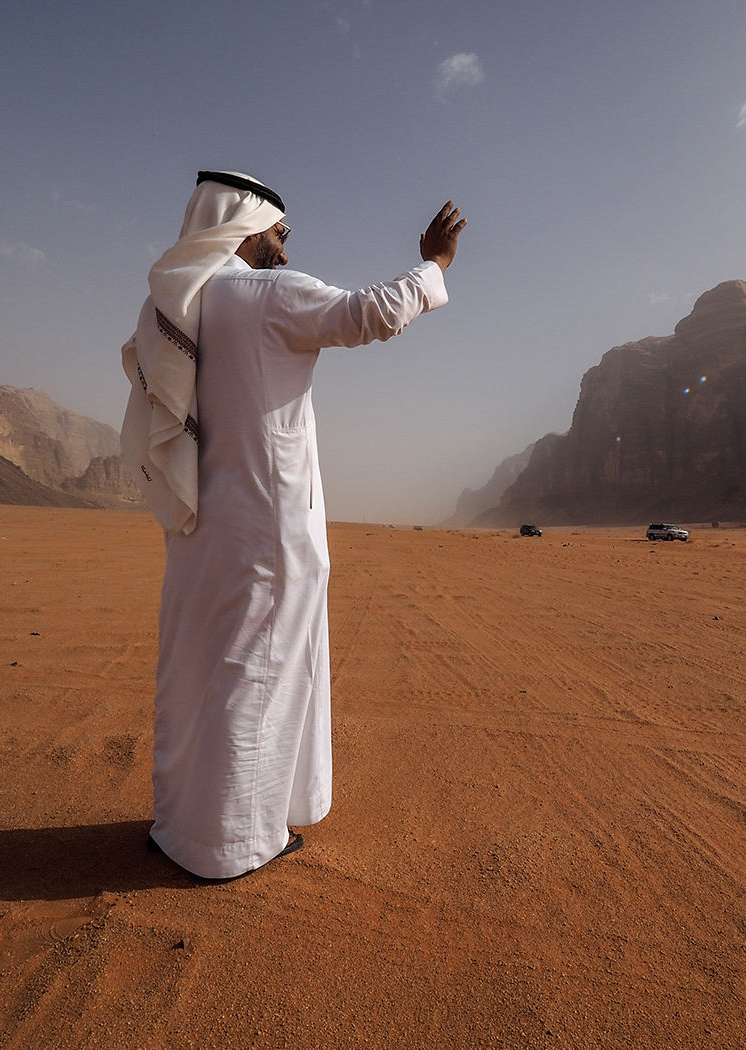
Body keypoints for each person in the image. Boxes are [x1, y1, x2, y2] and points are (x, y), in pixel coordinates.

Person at [121, 171, 464, 879]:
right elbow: (370, 314)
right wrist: (433, 264)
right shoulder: (266, 294)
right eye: (278, 234)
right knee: (257, 674)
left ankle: (179, 823)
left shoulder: (172, 307)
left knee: (192, 671)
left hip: (196, 528)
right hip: (267, 531)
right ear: (246, 227)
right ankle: (235, 843)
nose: (282, 250)